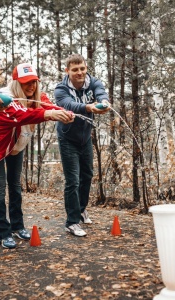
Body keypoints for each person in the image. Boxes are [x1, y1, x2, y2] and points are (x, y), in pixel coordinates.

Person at [0, 62, 74, 249]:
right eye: (26, 83)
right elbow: (23, 115)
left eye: (34, 81)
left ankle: (17, 226)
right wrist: (50, 114)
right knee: (0, 188)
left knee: (15, 185)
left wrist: (65, 113)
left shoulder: (37, 97)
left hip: (17, 144)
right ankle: (3, 233)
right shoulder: (5, 98)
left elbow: (48, 106)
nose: (31, 86)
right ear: (17, 83)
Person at [54, 53, 110, 237]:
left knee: (87, 175)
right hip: (67, 139)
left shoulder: (93, 82)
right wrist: (88, 107)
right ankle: (71, 222)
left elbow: (101, 93)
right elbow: (69, 105)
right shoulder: (60, 89)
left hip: (85, 138)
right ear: (67, 70)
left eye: (82, 69)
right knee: (73, 181)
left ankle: (81, 209)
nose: (80, 73)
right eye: (75, 69)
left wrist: (103, 103)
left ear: (86, 68)